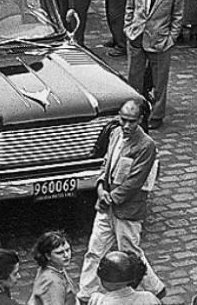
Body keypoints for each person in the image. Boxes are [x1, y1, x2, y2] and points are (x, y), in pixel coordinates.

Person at [77, 99, 165, 301]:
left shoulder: (146, 145)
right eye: (123, 120)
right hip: (106, 206)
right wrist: (100, 186)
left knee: (131, 255)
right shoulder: (115, 134)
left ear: (140, 120)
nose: (126, 125)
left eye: (132, 121)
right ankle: (86, 293)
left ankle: (155, 289)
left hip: (127, 211)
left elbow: (135, 181)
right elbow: (106, 164)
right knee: (94, 251)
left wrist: (109, 198)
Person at [124, 0, 183, 129]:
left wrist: (171, 38)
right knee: (134, 78)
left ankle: (156, 115)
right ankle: (135, 113)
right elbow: (130, 7)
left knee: (159, 81)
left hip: (160, 41)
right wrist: (129, 28)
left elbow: (178, 17)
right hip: (137, 36)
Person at [29, 231, 77, 305]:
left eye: (67, 250)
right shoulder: (52, 281)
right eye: (60, 253)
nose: (66, 255)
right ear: (47, 256)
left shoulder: (56, 267)